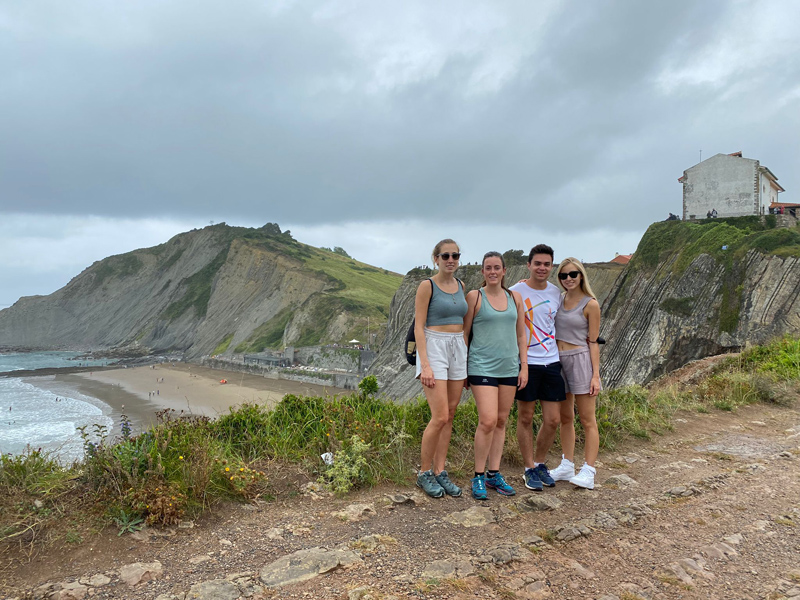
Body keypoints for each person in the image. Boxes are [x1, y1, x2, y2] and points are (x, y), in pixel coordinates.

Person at [463, 252, 528, 500]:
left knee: (501, 421)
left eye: (497, 267)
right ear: (482, 271)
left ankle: (493, 473)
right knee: (488, 420)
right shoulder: (475, 297)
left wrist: (524, 366)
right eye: (488, 268)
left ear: (504, 271)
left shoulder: (515, 297)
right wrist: (464, 368)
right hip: (481, 366)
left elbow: (521, 334)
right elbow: (465, 333)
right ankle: (478, 475)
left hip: (509, 366)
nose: (492, 272)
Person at [414, 238, 468, 498]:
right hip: (434, 346)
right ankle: (424, 472)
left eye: (455, 255)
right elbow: (419, 326)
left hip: (457, 346)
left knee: (451, 413)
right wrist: (425, 364)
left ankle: (440, 470)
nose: (450, 260)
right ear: (436, 258)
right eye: (445, 255)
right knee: (440, 416)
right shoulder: (427, 286)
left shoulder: (461, 286)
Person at [510, 244, 563, 491]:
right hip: (527, 363)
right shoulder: (515, 291)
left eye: (547, 264)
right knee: (526, 416)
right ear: (528, 265)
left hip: (551, 361)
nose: (542, 268)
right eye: (538, 263)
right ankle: (528, 468)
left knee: (553, 420)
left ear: (552, 266)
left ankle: (540, 463)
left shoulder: (556, 293)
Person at [549, 258, 602, 490]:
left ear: (581, 275)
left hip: (580, 359)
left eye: (573, 274)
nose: (568, 279)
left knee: (587, 419)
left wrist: (595, 375)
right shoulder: (559, 299)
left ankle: (589, 470)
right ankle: (567, 464)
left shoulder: (591, 304)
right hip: (558, 360)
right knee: (565, 417)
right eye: (563, 275)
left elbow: (594, 341)